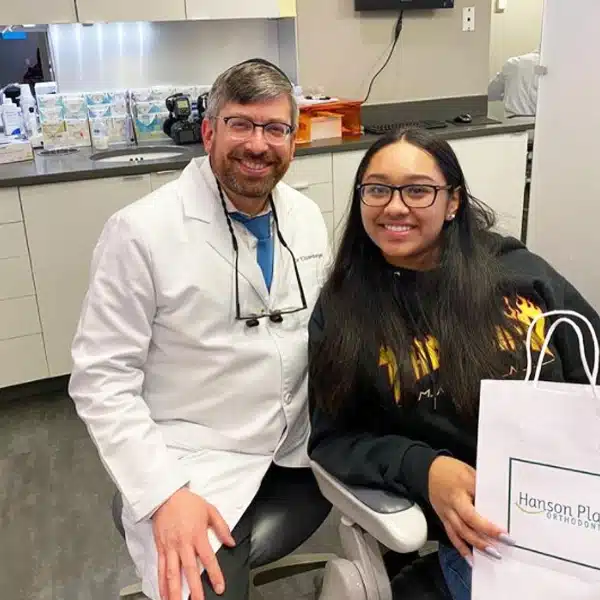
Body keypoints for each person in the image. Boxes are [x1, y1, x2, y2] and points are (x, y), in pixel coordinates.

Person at [69, 59, 332, 600]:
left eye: (275, 128)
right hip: (195, 459)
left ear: (292, 140)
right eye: (241, 124)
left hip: (297, 444)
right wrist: (166, 494)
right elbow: (102, 381)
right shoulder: (140, 232)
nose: (258, 144)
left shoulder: (305, 216)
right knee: (199, 586)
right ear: (209, 133)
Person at [306, 128, 600, 600]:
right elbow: (333, 439)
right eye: (377, 189)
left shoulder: (519, 274)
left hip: (576, 507)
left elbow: (593, 363)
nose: (394, 206)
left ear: (453, 202)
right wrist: (424, 469)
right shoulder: (345, 310)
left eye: (418, 190)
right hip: (490, 537)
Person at [488, 50, 540, 117]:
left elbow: (492, 92)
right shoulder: (551, 66)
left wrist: (507, 94)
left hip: (512, 120)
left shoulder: (514, 62)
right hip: (542, 121)